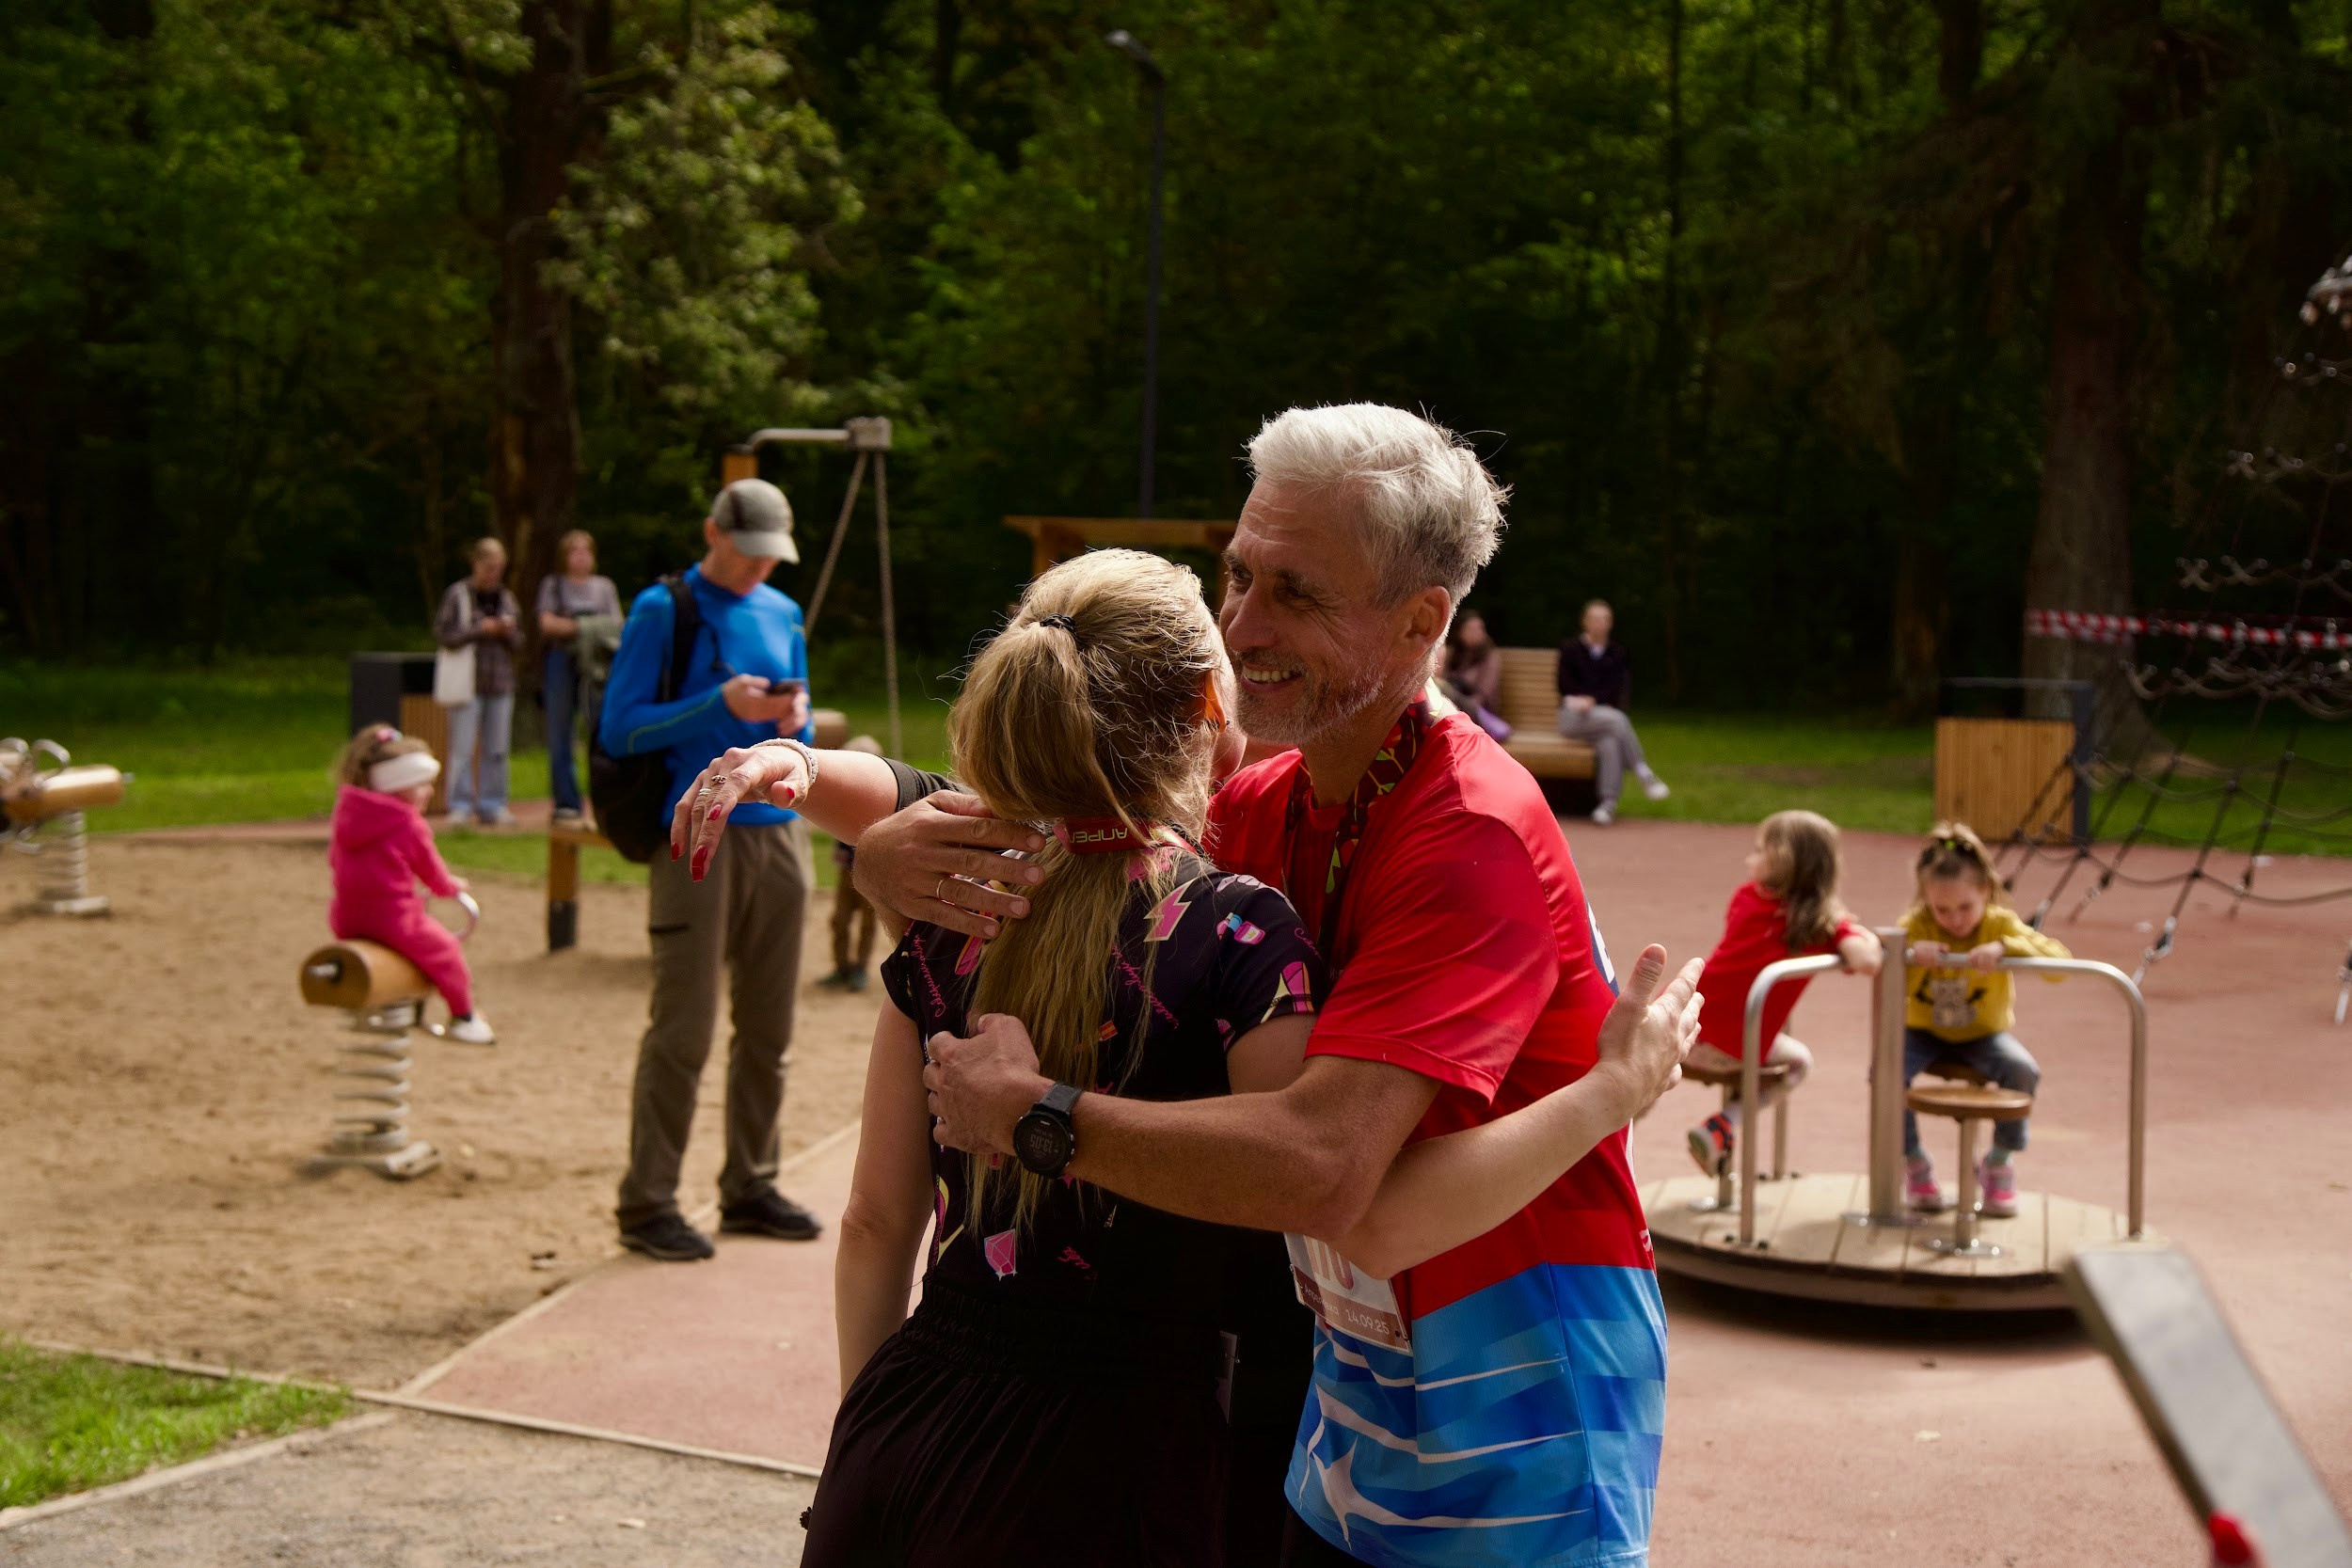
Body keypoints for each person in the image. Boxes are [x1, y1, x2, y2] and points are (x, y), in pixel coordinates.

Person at [672, 548, 1699, 1568]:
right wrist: (1611, 1089)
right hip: (1129, 1443)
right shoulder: (1244, 930)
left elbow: (871, 1221)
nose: (1252, 617)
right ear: (1213, 702)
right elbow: (1328, 1182)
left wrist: (866, 1430)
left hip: (914, 1415)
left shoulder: (961, 913)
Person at [599, 478, 819, 1262]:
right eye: (751, 553)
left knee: (770, 1028)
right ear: (714, 533)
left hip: (781, 836)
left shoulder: (783, 611)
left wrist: (794, 722)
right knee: (684, 1027)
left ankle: (750, 1183)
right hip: (697, 832)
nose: (762, 569)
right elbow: (620, 730)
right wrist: (716, 705)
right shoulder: (664, 608)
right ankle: (648, 1200)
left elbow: (807, 714)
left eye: (773, 557)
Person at [1683, 810, 1882, 1177]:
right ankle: (1724, 1123)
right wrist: (1857, 932)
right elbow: (1867, 961)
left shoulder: (1746, 898)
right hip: (1734, 1049)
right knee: (1799, 1062)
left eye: (1760, 851)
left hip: (1686, 1026)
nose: (1749, 860)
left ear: (1785, 860)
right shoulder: (1820, 927)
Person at [1899, 821, 2069, 1215]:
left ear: (1986, 893)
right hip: (1923, 1030)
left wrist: (2007, 947)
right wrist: (1910, 951)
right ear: (1925, 900)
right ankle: (1914, 1162)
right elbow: (1882, 960)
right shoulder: (1918, 924)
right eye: (1942, 909)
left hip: (1982, 1035)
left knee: (2022, 1070)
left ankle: (1998, 1162)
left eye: (1964, 908)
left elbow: (2060, 965)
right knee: (1885, 1073)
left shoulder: (1998, 923)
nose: (1954, 920)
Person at [327, 725, 493, 1044]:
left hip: (346, 918)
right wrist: (451, 887)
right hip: (392, 919)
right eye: (422, 785)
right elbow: (432, 873)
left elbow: (335, 860)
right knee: (447, 952)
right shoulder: (407, 822)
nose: (429, 791)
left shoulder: (348, 812)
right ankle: (464, 1018)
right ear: (398, 784)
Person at [435, 538, 523, 828]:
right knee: (462, 747)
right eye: (488, 567)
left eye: (498, 568)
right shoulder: (458, 595)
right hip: (467, 683)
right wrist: (479, 629)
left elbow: (520, 642)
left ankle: (493, 804)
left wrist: (505, 631)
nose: (493, 574)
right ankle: (459, 806)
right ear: (476, 564)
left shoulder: (506, 598)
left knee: (497, 749)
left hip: (499, 682)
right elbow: (444, 635)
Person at [535, 530, 622, 825]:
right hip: (560, 661)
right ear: (564, 556)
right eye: (574, 550)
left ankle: (603, 799)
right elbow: (547, 624)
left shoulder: (604, 587)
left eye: (586, 550)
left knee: (598, 732)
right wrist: (590, 627)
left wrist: (574, 626)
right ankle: (567, 803)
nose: (581, 556)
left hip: (596, 665)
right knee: (560, 733)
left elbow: (617, 627)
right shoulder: (553, 585)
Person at [1556, 597, 1666, 826]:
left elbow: (1616, 688)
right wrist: (1584, 700)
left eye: (1605, 619)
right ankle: (1642, 770)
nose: (1600, 624)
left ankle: (1607, 804)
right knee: (1617, 720)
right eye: (1595, 619)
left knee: (1610, 741)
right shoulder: (1570, 649)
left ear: (1611, 623)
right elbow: (1563, 684)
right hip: (1572, 718)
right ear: (1585, 622)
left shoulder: (1617, 652)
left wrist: (1595, 700)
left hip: (1602, 717)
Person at [817, 735, 886, 992]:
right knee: (839, 919)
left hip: (873, 870)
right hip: (847, 870)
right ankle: (841, 966)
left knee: (868, 922)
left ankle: (860, 968)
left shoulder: (883, 794)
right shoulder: (845, 793)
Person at [1438, 609, 1510, 741]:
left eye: (1480, 628)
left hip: (1479, 709)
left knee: (1442, 689)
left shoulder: (1489, 656)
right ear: (1460, 632)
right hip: (1455, 705)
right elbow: (1444, 679)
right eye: (1471, 629)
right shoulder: (1453, 654)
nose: (1477, 632)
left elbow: (1485, 691)